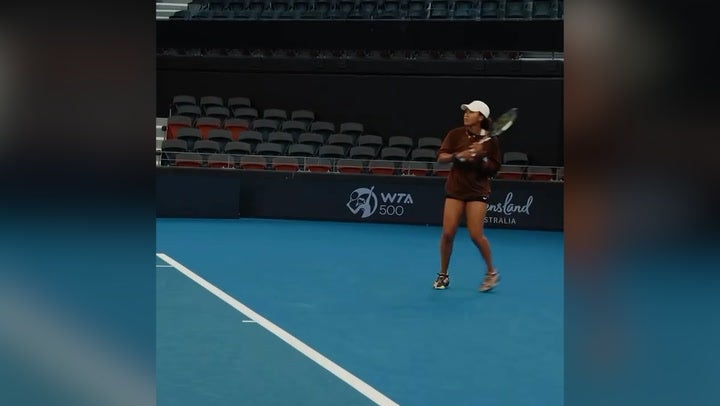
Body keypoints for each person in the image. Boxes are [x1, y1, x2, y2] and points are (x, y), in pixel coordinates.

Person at [433, 100, 502, 292]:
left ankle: (491, 273)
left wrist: (481, 157)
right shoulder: (455, 134)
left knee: (476, 235)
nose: (466, 114)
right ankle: (443, 275)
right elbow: (441, 158)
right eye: (466, 111)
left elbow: (494, 169)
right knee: (448, 233)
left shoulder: (491, 141)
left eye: (471, 112)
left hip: (477, 191)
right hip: (455, 189)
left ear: (480, 117)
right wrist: (458, 155)